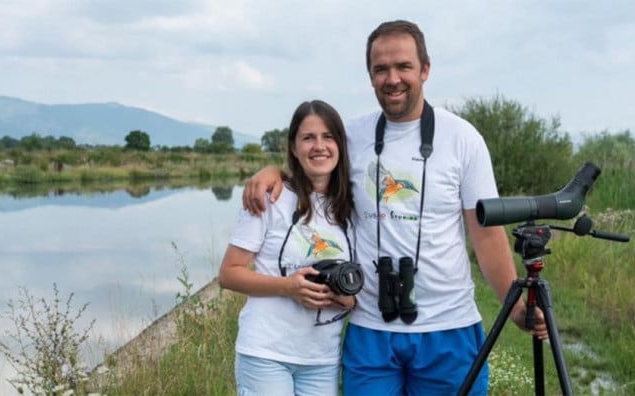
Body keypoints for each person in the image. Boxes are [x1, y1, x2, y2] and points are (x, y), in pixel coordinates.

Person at [242, 20, 548, 395]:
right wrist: (272, 171)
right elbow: (310, 167)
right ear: (370, 76)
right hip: (371, 329)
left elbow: (486, 236)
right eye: (380, 69)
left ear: (425, 69)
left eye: (403, 66)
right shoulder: (351, 136)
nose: (393, 78)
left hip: (448, 328)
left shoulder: (463, 139)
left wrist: (514, 306)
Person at [219, 99, 357, 396]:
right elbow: (229, 274)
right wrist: (288, 287)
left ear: (341, 145)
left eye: (328, 136)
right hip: (267, 353)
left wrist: (348, 300)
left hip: (323, 358)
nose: (319, 146)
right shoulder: (270, 198)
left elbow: (358, 284)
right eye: (308, 138)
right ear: (293, 148)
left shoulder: (353, 207)